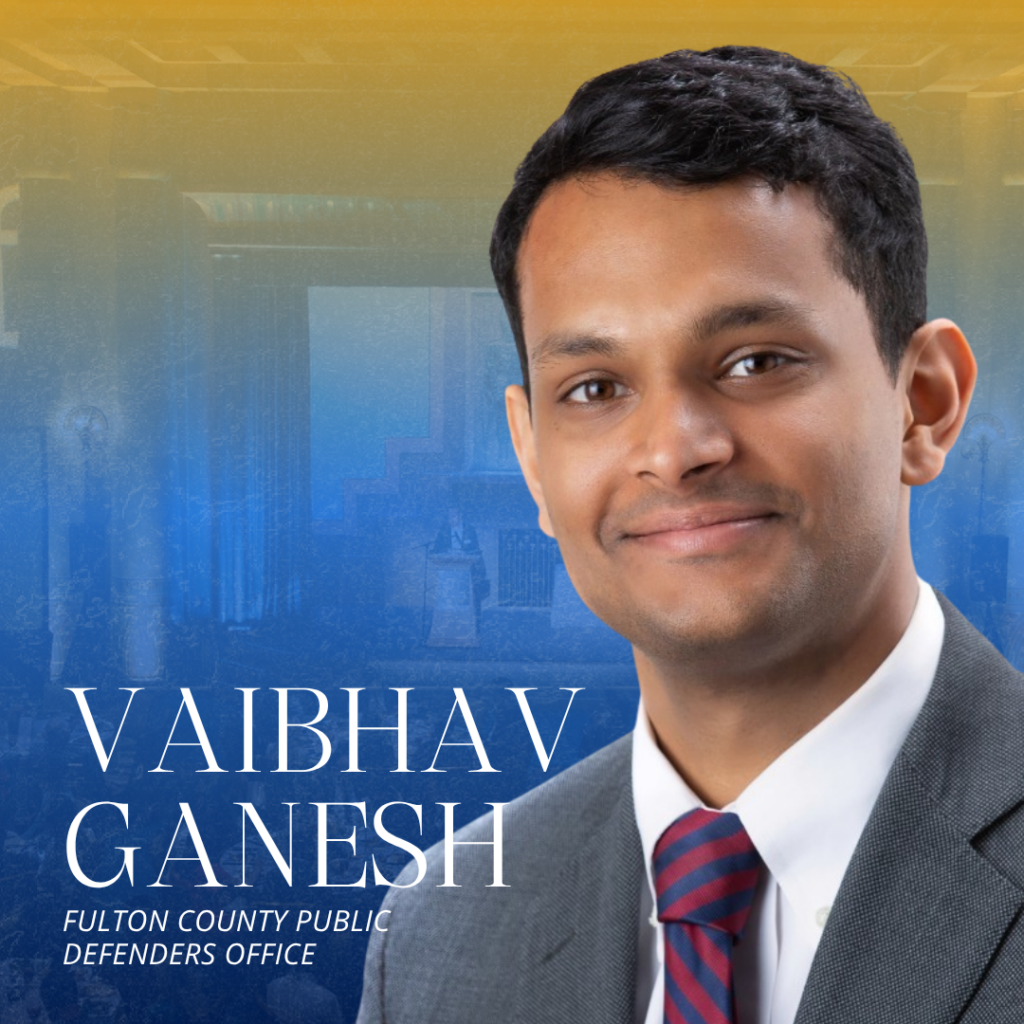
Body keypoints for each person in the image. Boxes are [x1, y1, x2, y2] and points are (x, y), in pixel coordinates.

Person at [357, 46, 1024, 1024]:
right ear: (532, 457)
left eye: (755, 361)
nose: (672, 450)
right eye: (594, 388)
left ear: (922, 404)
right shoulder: (441, 934)